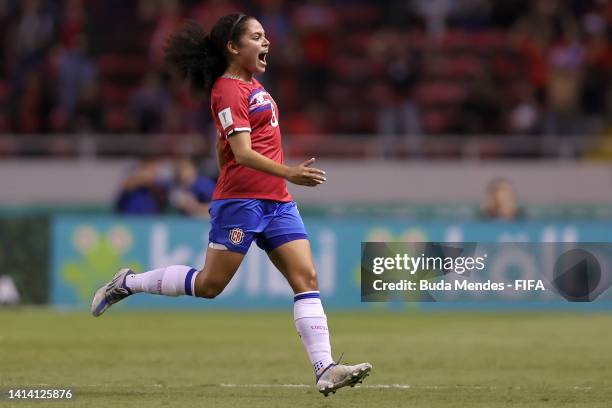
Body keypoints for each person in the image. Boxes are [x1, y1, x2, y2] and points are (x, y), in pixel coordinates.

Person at [91, 14, 371, 396]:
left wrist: (278, 181)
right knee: (209, 285)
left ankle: (325, 369)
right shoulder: (226, 89)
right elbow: (241, 151)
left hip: (277, 202)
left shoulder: (254, 86)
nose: (267, 42)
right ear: (234, 47)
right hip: (242, 203)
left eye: (266, 36)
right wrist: (287, 172)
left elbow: (226, 151)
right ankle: (127, 282)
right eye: (257, 37)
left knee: (306, 279)